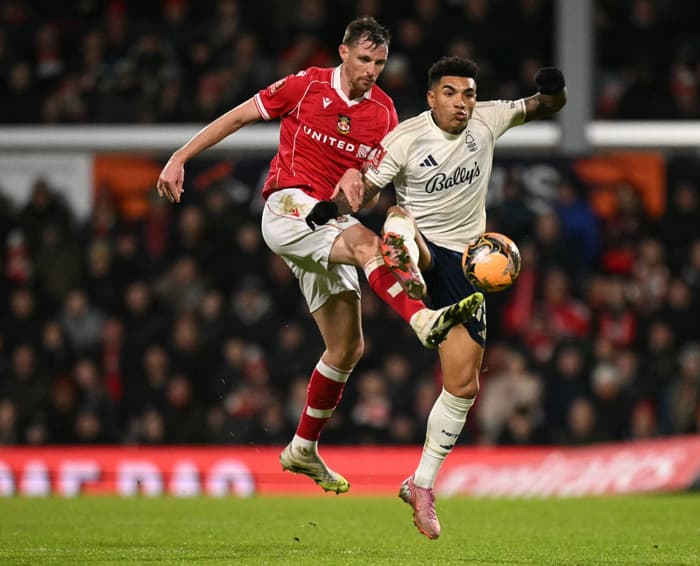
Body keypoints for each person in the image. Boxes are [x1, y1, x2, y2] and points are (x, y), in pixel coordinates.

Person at [156, 19, 482, 495]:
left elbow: (365, 190)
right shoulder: (306, 86)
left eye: (380, 63)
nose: (371, 70)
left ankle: (302, 448)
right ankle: (421, 320)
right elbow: (239, 116)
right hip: (287, 206)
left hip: (329, 221)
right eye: (364, 59)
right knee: (370, 246)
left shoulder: (384, 115)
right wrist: (180, 156)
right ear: (343, 53)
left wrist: (360, 194)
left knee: (348, 348)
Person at [308, 56, 567, 537]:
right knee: (399, 218)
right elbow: (363, 187)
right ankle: (405, 261)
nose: (462, 102)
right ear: (432, 98)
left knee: (464, 386)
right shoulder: (405, 138)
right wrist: (331, 207)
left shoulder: (488, 118)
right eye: (451, 93)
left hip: (469, 266)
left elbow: (547, 105)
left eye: (468, 93)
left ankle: (421, 484)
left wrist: (554, 88)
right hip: (427, 248)